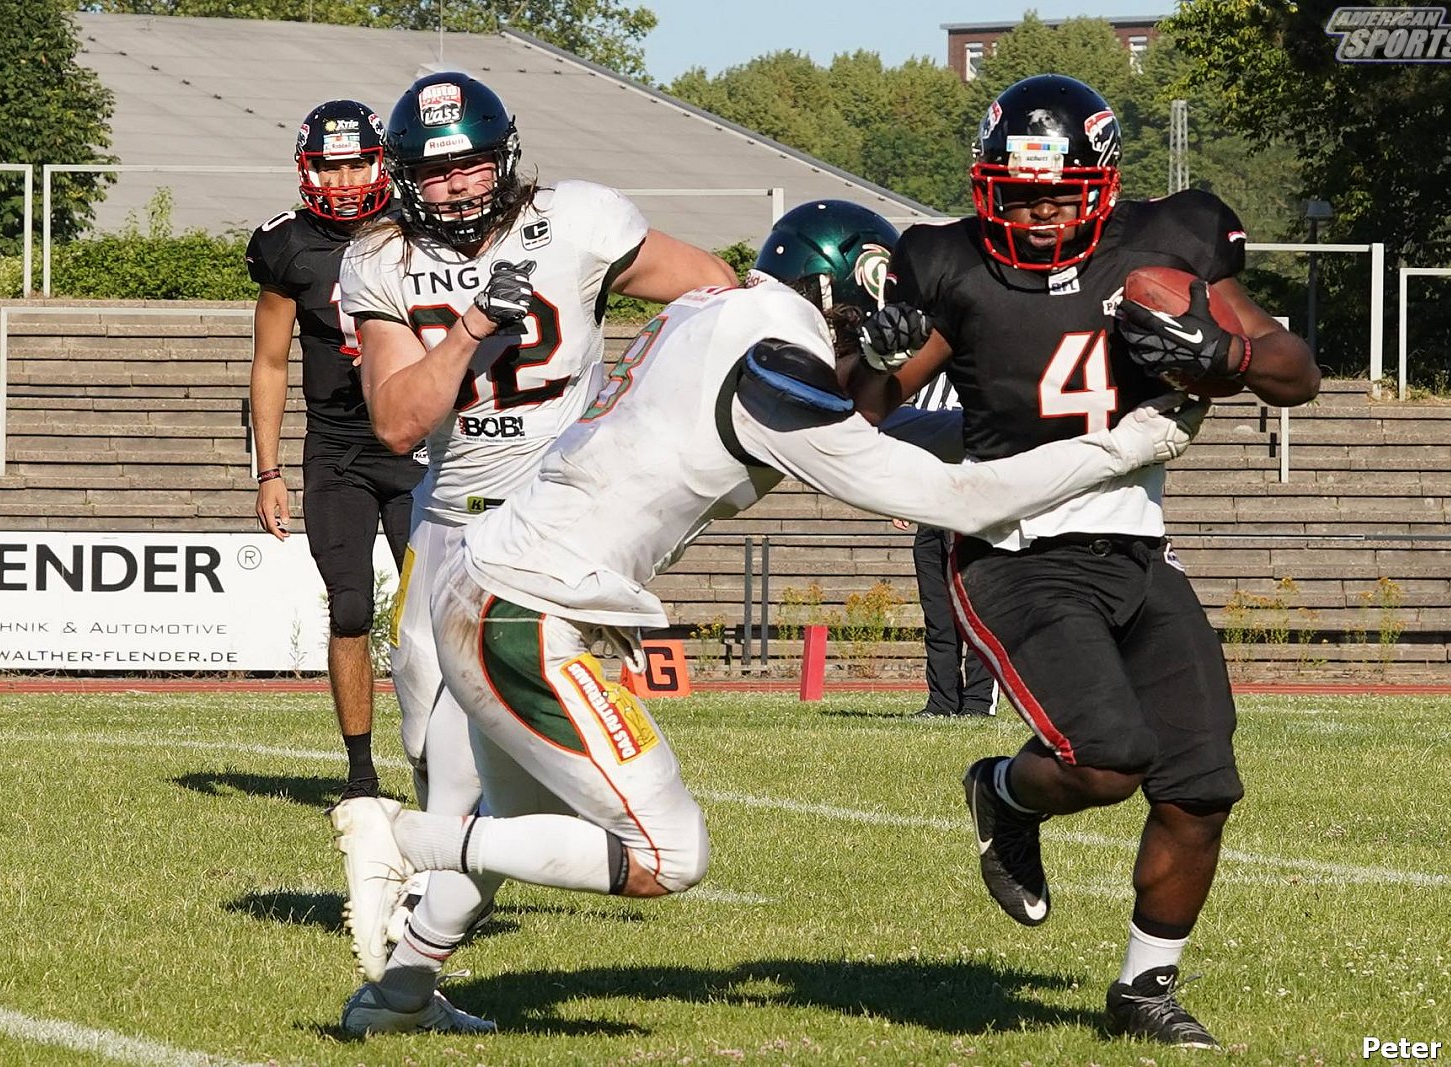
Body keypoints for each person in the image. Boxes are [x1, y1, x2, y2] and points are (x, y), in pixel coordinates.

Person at [328, 197, 1209, 1036]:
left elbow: (865, 423)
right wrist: (1122, 446)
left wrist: (895, 377)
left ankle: (396, 996)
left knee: (508, 830)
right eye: (878, 299)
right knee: (667, 854)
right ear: (841, 289)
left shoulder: (720, 311)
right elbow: (954, 497)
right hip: (524, 611)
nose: (890, 320)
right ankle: (400, 836)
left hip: (499, 581)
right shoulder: (774, 365)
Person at [850, 74, 1321, 1049]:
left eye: (1058, 192)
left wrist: (1225, 356)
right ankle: (1003, 790)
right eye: (1018, 193)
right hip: (1016, 549)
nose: (1038, 211)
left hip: (1136, 544)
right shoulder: (948, 261)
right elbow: (865, 407)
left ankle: (1144, 988)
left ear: (1101, 182)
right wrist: (871, 353)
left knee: (1201, 786)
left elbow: (1295, 371)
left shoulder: (1169, 241)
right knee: (1105, 757)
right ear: (988, 186)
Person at [330, 70, 738, 1034]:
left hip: (552, 530)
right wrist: (475, 326)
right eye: (436, 172)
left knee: (480, 791)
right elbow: (396, 423)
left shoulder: (579, 220)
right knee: (442, 766)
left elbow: (716, 288)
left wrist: (636, 386)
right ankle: (401, 981)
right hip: (450, 528)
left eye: (472, 164)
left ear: (505, 156)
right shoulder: (380, 258)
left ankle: (399, 971)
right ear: (404, 177)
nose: (458, 186)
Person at [246, 99, 422, 801]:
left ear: (382, 163)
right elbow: (269, 362)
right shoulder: (289, 244)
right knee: (349, 607)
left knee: (431, 608)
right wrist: (268, 470)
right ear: (307, 171)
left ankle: (446, 758)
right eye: (331, 167)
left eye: (356, 165)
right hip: (338, 449)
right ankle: (361, 775)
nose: (345, 182)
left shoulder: (420, 230)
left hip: (415, 443)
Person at [899, 373, 994, 718]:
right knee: (938, 615)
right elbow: (914, 446)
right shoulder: (926, 380)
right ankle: (942, 701)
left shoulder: (983, 375)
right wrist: (904, 498)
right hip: (932, 510)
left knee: (979, 613)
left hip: (974, 512)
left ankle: (978, 703)